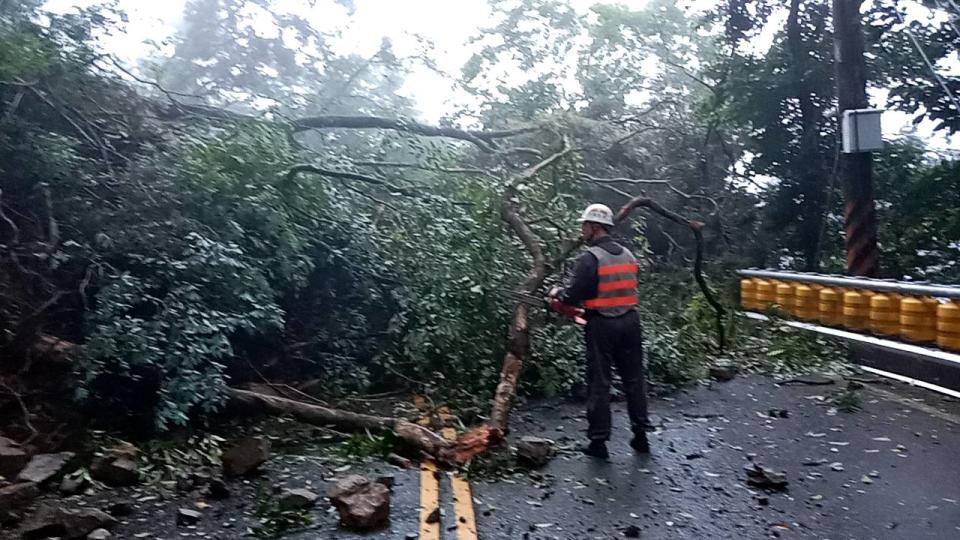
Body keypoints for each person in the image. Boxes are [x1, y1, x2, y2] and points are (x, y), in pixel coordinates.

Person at [548, 203, 650, 458]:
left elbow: (575, 294)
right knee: (634, 380)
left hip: (603, 325)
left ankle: (598, 442)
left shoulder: (590, 257)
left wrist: (557, 294)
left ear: (594, 227)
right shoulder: (628, 254)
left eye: (584, 226)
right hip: (630, 321)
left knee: (599, 382)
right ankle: (641, 435)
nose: (582, 230)